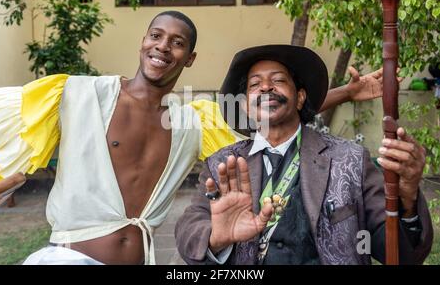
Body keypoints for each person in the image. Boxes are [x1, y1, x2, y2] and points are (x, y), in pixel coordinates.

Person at [0, 11, 392, 265]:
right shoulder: (74, 95)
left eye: (176, 42)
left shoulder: (190, 121)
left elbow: (272, 110)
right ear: (143, 41)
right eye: (155, 36)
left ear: (190, 57)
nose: (162, 47)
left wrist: (348, 91)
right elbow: (1, 129)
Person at [174, 44, 433, 265]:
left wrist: (407, 195)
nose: (266, 88)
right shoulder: (222, 165)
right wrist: (215, 237)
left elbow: (399, 254)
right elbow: (189, 230)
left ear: (299, 98)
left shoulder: (350, 159)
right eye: (255, 84)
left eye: (278, 80)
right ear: (245, 106)